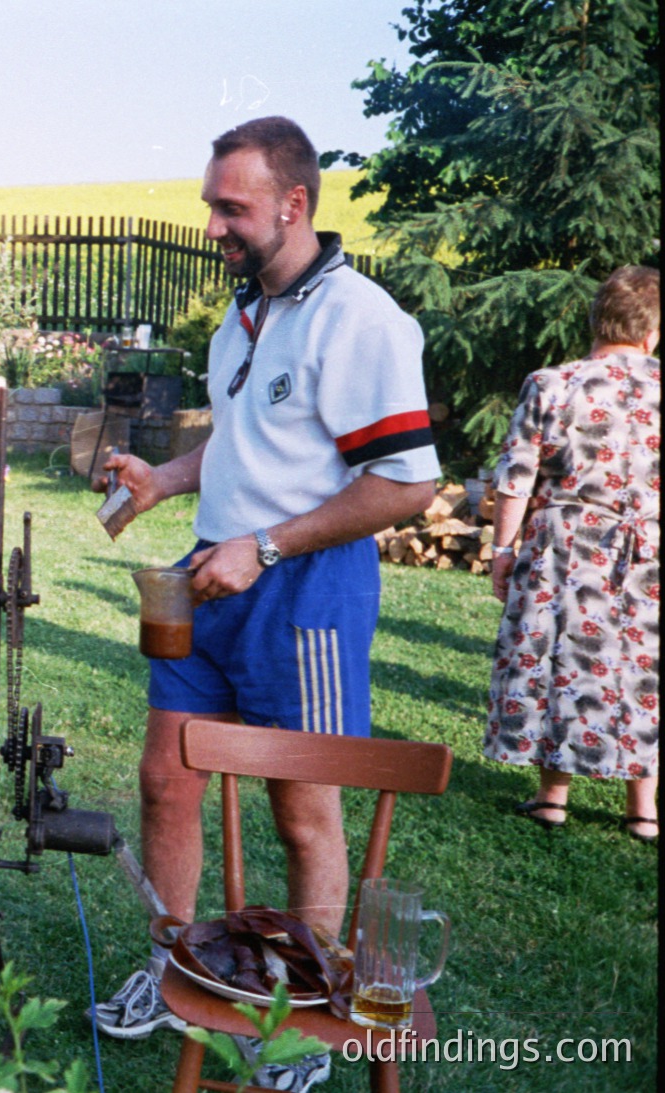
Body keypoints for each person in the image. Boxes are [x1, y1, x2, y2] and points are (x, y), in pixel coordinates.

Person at [91, 117, 438, 1093]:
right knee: (167, 779)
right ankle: (170, 969)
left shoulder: (362, 319)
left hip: (307, 593)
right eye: (211, 203)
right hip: (211, 578)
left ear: (293, 205)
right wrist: (164, 479)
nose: (211, 225)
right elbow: (246, 445)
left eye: (229, 207)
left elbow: (407, 484)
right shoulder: (242, 316)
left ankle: (299, 1011)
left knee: (302, 812)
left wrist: (269, 544)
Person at [484, 265, 660, 843]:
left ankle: (552, 798)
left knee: (565, 659)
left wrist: (502, 550)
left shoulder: (553, 384)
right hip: (648, 550)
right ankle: (643, 811)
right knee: (643, 669)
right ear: (652, 331)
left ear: (595, 319)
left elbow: (515, 478)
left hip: (566, 546)